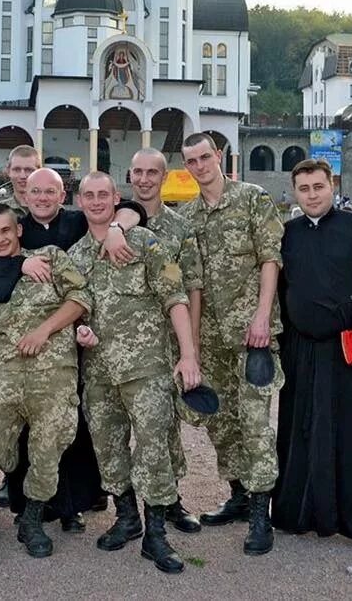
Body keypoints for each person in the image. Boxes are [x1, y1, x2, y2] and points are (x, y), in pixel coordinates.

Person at [68, 172, 201, 574]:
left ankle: (156, 534)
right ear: (78, 201)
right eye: (88, 195)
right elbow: (73, 310)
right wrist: (80, 332)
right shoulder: (74, 257)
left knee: (153, 448)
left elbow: (175, 297)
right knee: (109, 449)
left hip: (147, 368)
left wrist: (189, 355)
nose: (95, 202)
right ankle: (127, 517)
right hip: (100, 373)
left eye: (102, 195)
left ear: (115, 199)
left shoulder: (144, 243)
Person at [272, 158, 352, 562]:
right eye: (304, 188)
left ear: (332, 186)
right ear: (294, 192)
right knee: (302, 432)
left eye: (318, 187)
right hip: (301, 350)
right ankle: (303, 514)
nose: (311, 195)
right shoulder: (286, 234)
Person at [0, 204, 92, 566]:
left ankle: (31, 521)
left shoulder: (51, 259)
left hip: (54, 376)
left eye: (5, 231)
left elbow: (80, 299)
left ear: (19, 231)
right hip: (6, 377)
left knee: (47, 452)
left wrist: (44, 330)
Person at [4, 166, 141, 531]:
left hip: (75, 337)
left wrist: (116, 229)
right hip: (29, 342)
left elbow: (131, 209)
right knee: (27, 425)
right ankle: (28, 503)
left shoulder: (79, 222)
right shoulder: (16, 229)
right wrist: (20, 262)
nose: (43, 198)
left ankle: (73, 503)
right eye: (36, 192)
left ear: (63, 195)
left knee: (74, 423)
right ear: (25, 195)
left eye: (51, 192)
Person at [180, 133, 283, 556]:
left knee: (255, 420)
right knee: (219, 420)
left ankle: (262, 512)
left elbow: (270, 258)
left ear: (219, 156)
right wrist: (196, 345)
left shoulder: (252, 199)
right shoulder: (187, 217)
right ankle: (239, 493)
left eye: (206, 156)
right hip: (213, 337)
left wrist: (262, 315)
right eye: (192, 161)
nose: (201, 165)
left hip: (251, 331)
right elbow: (194, 284)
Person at [129, 148, 204, 534]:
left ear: (163, 177)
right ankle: (126, 509)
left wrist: (190, 345)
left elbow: (190, 286)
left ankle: (170, 498)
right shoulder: (114, 222)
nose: (144, 179)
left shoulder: (179, 228)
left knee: (167, 424)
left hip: (167, 341)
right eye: (137, 172)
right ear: (129, 176)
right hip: (125, 343)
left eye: (151, 173)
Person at [0, 145, 41, 216]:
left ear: (39, 171)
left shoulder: (56, 212)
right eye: (17, 169)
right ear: (8, 171)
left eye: (28, 170)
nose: (23, 176)